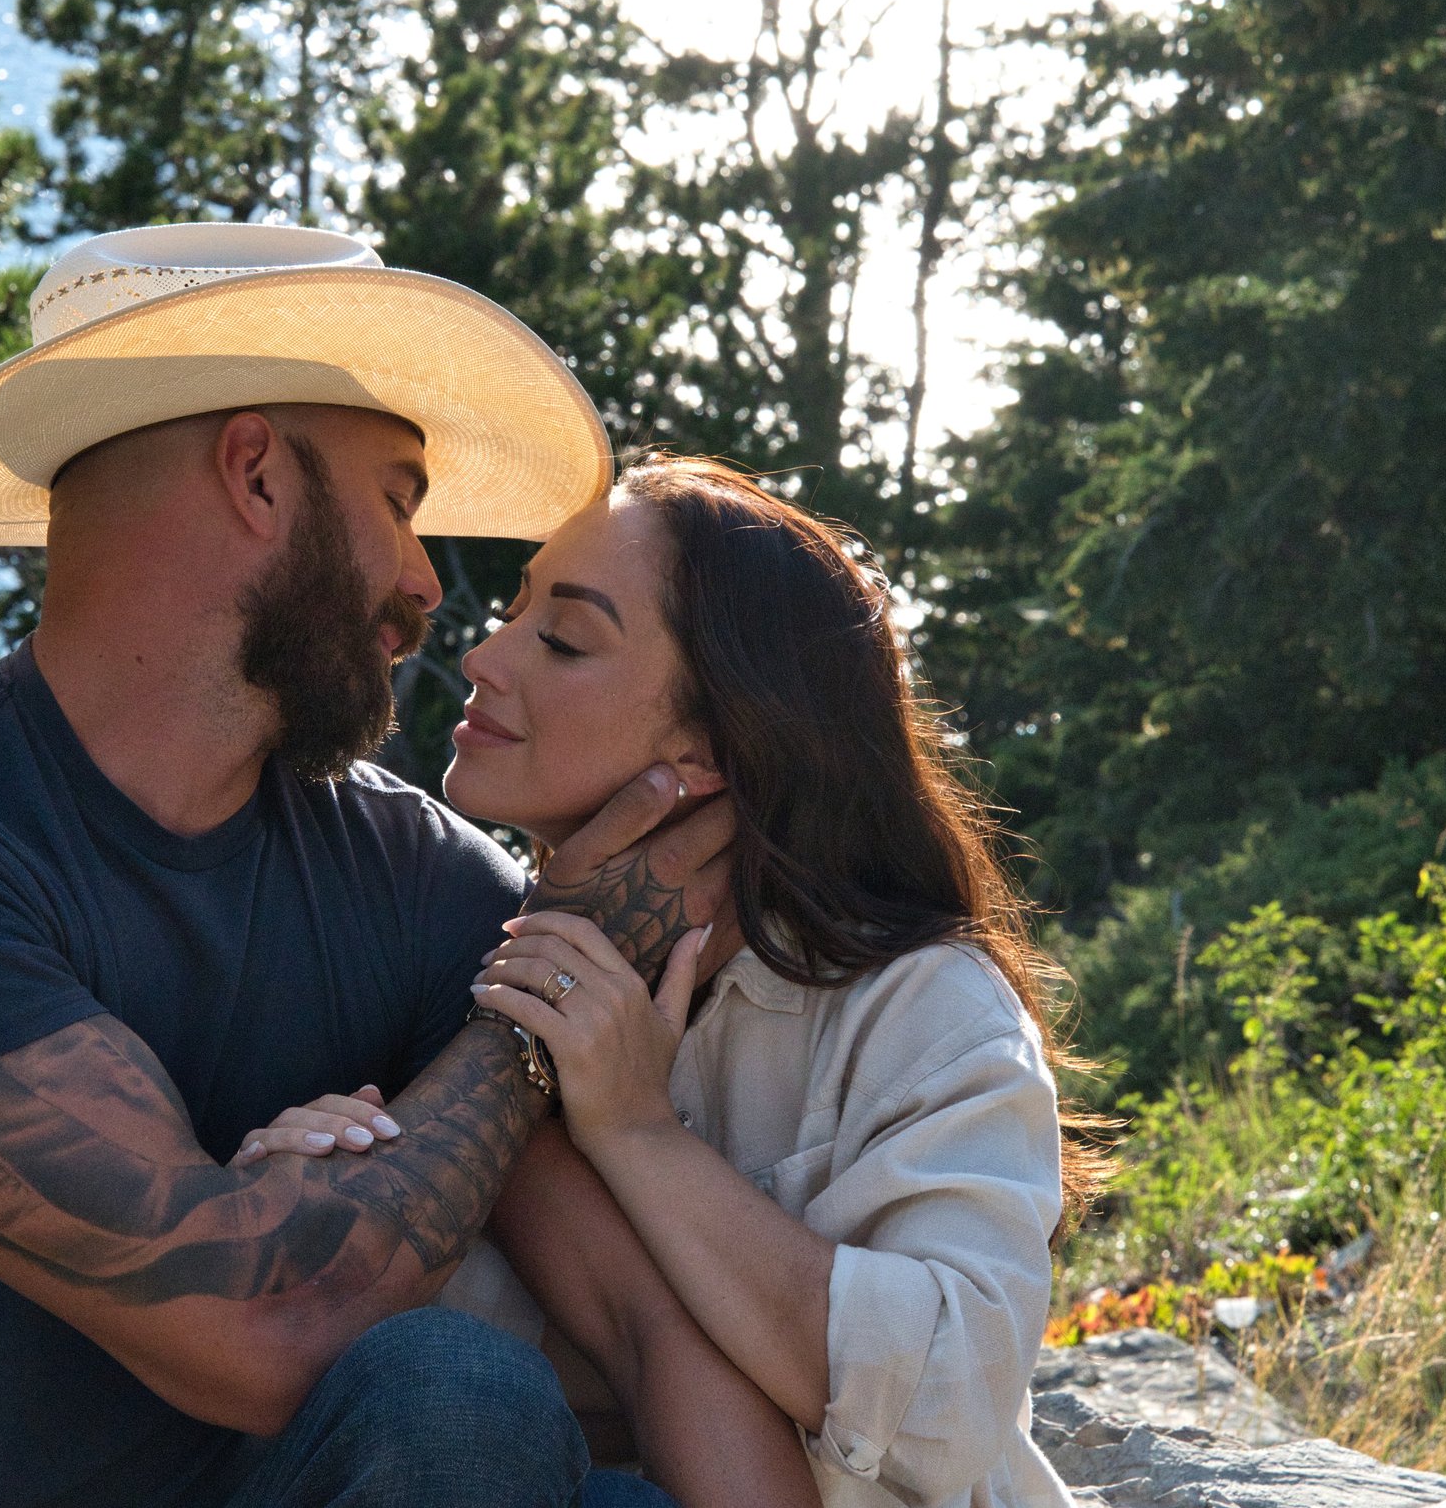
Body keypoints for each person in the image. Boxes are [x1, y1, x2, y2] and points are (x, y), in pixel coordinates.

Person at [0, 224, 793, 1508]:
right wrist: (534, 1011)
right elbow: (270, 1336)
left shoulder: (410, 876)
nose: (426, 582)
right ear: (255, 473)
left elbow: (639, 1329)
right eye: (398, 503)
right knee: (454, 1394)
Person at [241, 455, 1106, 1506]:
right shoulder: (480, 979)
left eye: (561, 639)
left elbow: (947, 1406)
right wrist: (308, 1179)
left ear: (708, 745)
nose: (483, 654)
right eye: (513, 611)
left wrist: (639, 1132)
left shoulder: (921, 1005)